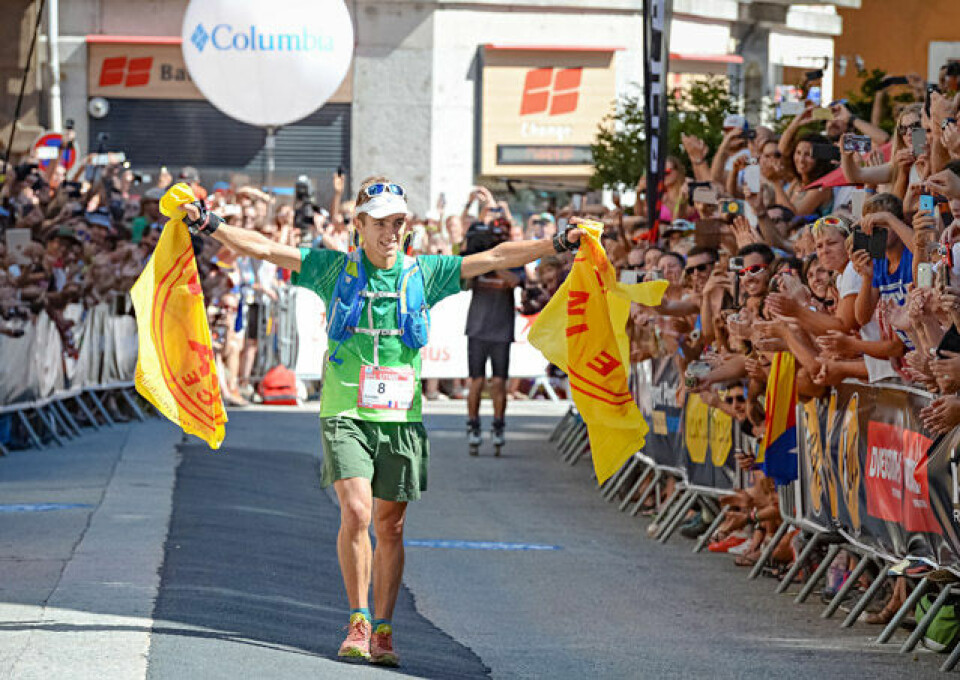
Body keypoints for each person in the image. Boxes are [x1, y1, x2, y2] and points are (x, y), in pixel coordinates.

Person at [177, 176, 582, 667]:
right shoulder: (333, 268)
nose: (391, 232)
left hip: (400, 416)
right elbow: (264, 248)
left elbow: (495, 257)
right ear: (359, 226)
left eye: (398, 222)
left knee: (391, 526)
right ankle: (358, 619)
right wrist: (208, 222)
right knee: (357, 511)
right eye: (380, 223)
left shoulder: (424, 272)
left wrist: (558, 242)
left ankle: (384, 628)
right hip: (345, 409)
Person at [462, 216, 523, 455]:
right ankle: (473, 424)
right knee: (476, 381)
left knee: (499, 382)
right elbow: (465, 283)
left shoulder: (513, 257)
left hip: (501, 330)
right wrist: (477, 257)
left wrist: (495, 263)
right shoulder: (479, 259)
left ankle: (498, 425)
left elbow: (515, 281)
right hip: (477, 328)